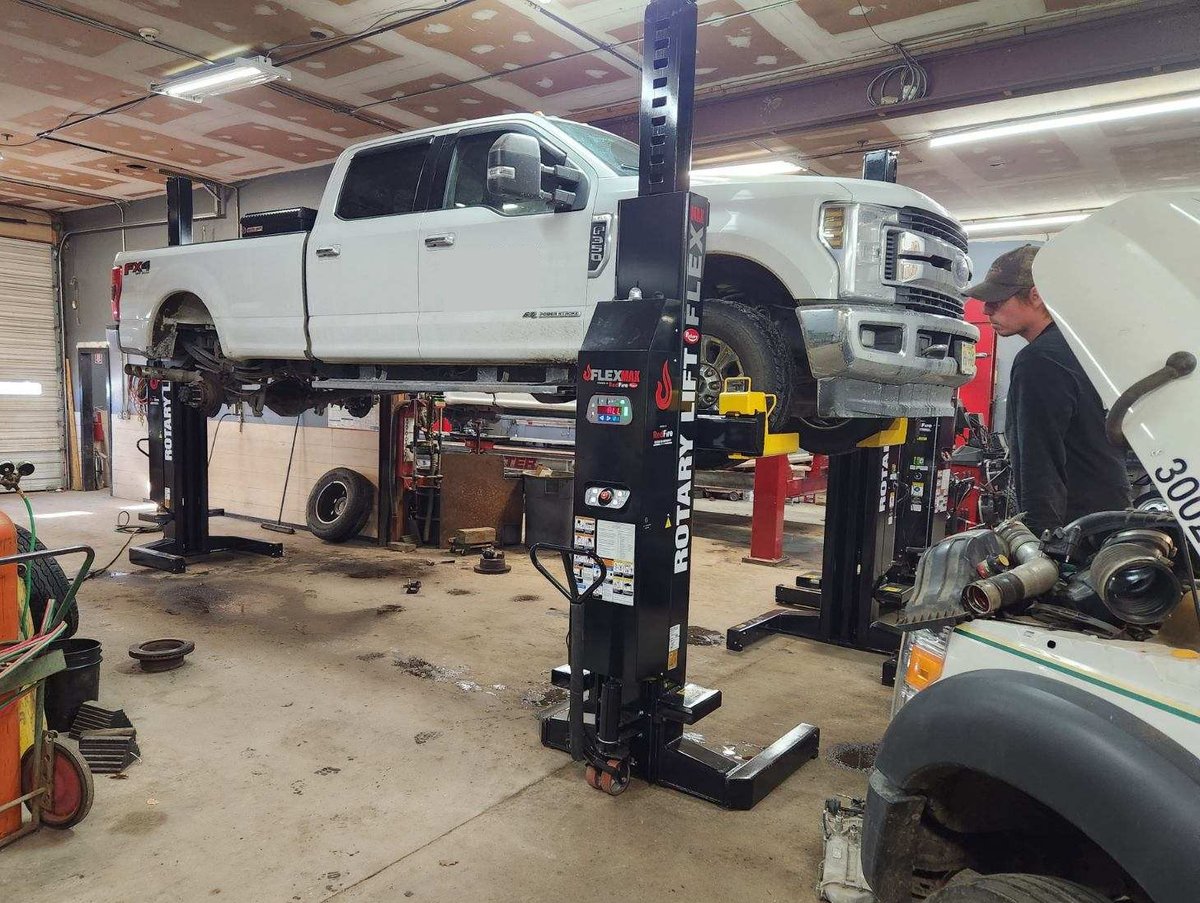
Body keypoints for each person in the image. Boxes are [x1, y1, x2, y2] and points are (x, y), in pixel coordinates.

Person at [966, 244, 1130, 537]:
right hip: (1109, 516)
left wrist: (1040, 543)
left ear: (1036, 295)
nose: (985, 309)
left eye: (997, 300)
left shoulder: (1039, 360)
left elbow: (1038, 460)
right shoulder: (1082, 349)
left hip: (1072, 529)